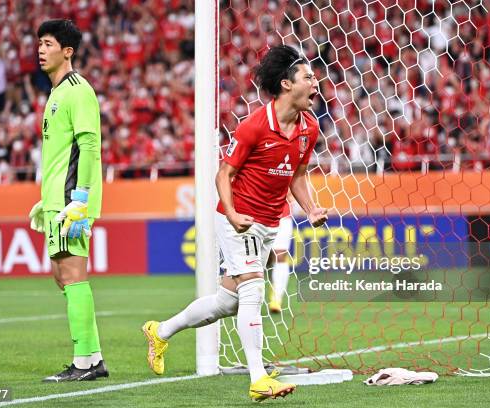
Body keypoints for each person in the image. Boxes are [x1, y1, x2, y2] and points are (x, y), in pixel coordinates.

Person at [142, 45, 327, 401]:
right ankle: (258, 379)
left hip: (270, 221)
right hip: (238, 218)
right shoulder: (255, 125)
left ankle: (160, 331)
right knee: (254, 289)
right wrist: (230, 212)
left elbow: (298, 175)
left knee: (229, 302)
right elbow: (223, 174)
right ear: (287, 84)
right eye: (308, 77)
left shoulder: (309, 128)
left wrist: (311, 208)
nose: (315, 82)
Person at [28, 19, 108, 382]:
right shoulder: (57, 92)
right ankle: (93, 358)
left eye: (48, 43)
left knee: (72, 273)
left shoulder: (78, 90)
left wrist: (79, 198)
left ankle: (84, 363)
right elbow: (62, 154)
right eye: (39, 43)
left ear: (67, 51)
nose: (40, 49)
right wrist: (44, 201)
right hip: (57, 200)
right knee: (63, 276)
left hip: (71, 200)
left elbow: (89, 146)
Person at [268, 193, 294, 313]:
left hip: (282, 216)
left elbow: (291, 191)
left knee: (280, 255)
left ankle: (276, 298)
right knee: (255, 257)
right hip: (256, 213)